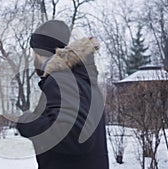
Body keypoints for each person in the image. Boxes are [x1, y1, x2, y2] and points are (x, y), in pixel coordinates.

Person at [16, 20, 109, 169]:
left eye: (33, 50)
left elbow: (75, 137)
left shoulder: (61, 80)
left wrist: (28, 122)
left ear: (38, 51)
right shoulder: (83, 80)